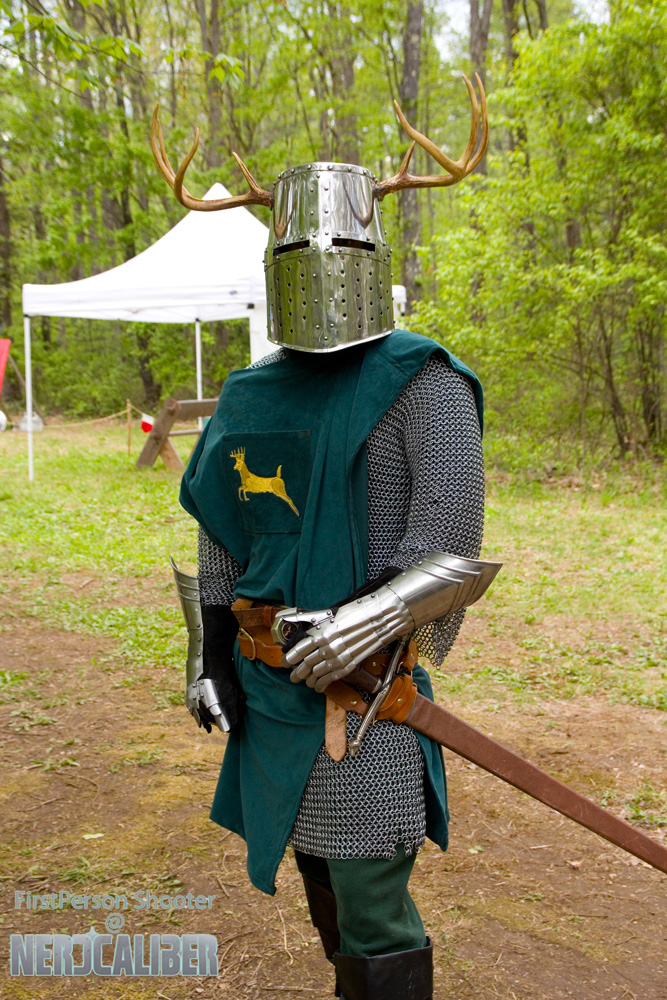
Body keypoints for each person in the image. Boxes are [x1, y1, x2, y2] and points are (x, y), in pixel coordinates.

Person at [159, 76, 489, 1000]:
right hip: (268, 692)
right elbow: (225, 529)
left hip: (362, 694)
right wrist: (208, 655)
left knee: (370, 898)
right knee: (319, 882)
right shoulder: (251, 391)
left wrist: (367, 626)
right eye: (299, 246)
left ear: (372, 252)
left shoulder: (423, 381)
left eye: (340, 244)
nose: (320, 261)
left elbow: (450, 546)